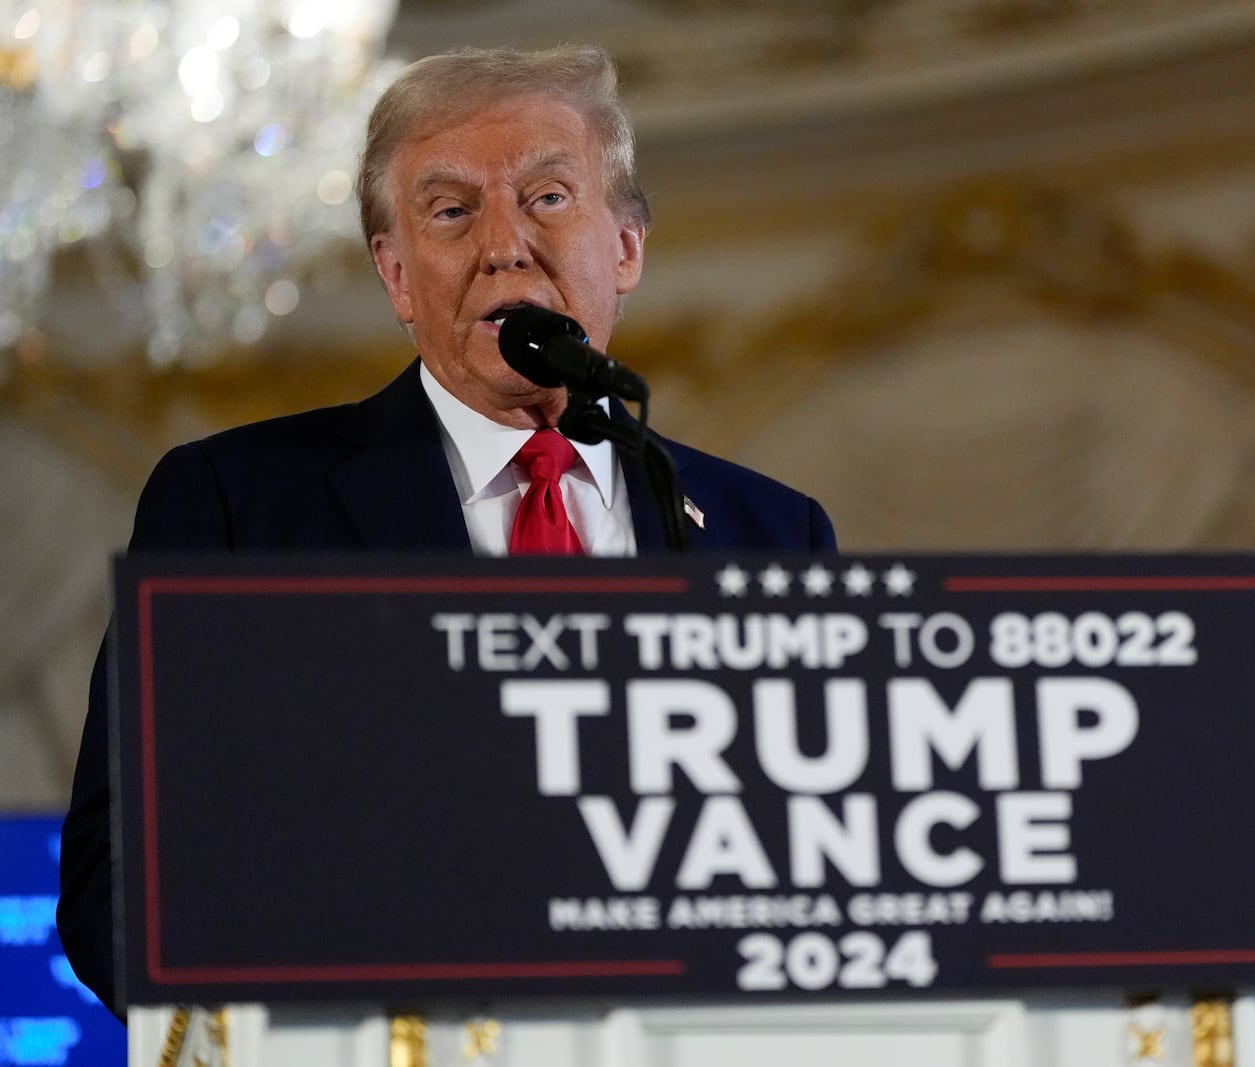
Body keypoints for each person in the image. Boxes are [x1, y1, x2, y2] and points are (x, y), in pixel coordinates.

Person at [56, 43, 836, 1018]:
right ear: (396, 275)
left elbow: (816, 871)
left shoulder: (772, 531)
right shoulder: (237, 504)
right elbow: (115, 891)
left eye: (549, 196)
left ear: (626, 247)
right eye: (452, 210)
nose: (504, 244)